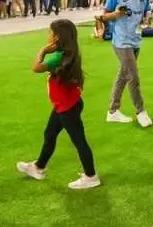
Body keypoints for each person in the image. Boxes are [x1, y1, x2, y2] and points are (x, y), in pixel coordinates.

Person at [16, 19, 100, 190]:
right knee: (50, 133)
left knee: (79, 141)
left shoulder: (58, 57)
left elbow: (36, 67)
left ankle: (91, 177)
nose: (48, 35)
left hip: (67, 108)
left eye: (50, 32)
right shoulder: (70, 53)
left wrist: (43, 50)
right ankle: (38, 167)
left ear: (57, 37)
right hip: (67, 104)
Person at [98, 0, 152, 128]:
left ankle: (112, 111)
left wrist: (147, 19)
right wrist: (115, 14)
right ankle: (141, 111)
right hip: (121, 41)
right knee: (133, 77)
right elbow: (104, 16)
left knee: (123, 75)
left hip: (136, 39)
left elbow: (147, 11)